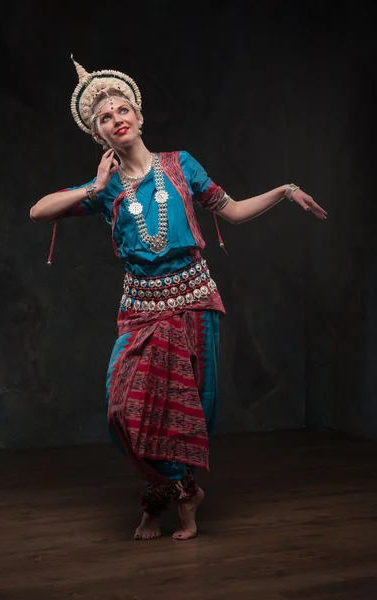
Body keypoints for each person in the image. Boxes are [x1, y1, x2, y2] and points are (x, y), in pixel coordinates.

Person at [30, 58, 327, 541]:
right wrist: (95, 185)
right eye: (104, 118)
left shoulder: (180, 164)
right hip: (141, 309)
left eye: (122, 109)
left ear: (139, 117)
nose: (115, 118)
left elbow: (230, 211)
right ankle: (180, 493)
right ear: (98, 135)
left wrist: (285, 191)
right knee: (122, 410)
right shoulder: (104, 189)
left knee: (185, 414)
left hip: (193, 299)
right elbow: (39, 211)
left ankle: (164, 502)